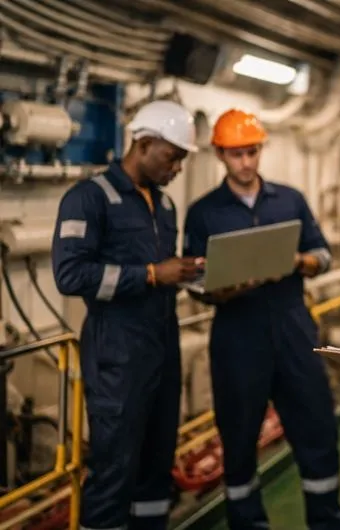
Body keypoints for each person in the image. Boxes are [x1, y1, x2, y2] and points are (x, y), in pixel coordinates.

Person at [183, 108, 340, 530]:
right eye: (236, 154)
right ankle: (248, 523)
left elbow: (324, 254)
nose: (246, 162)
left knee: (318, 428)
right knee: (238, 441)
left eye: (252, 152)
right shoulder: (203, 212)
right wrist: (223, 287)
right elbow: (194, 280)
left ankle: (327, 522)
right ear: (220, 154)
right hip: (237, 335)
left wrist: (298, 260)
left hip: (294, 328)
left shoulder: (290, 200)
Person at [52, 99, 203, 530]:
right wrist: (153, 274)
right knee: (114, 469)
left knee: (157, 463)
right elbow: (70, 274)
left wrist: (191, 275)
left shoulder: (166, 206)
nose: (176, 169)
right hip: (116, 351)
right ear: (144, 142)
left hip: (162, 344)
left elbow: (162, 271)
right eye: (172, 157)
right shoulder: (89, 198)